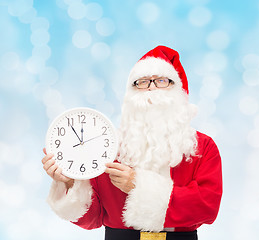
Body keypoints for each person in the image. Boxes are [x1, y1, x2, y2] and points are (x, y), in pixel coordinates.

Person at [42, 45, 223, 240]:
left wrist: (138, 185)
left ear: (178, 90)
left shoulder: (203, 146)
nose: (152, 87)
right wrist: (70, 182)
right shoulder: (108, 146)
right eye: (142, 82)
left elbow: (207, 207)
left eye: (161, 80)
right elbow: (93, 218)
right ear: (130, 94)